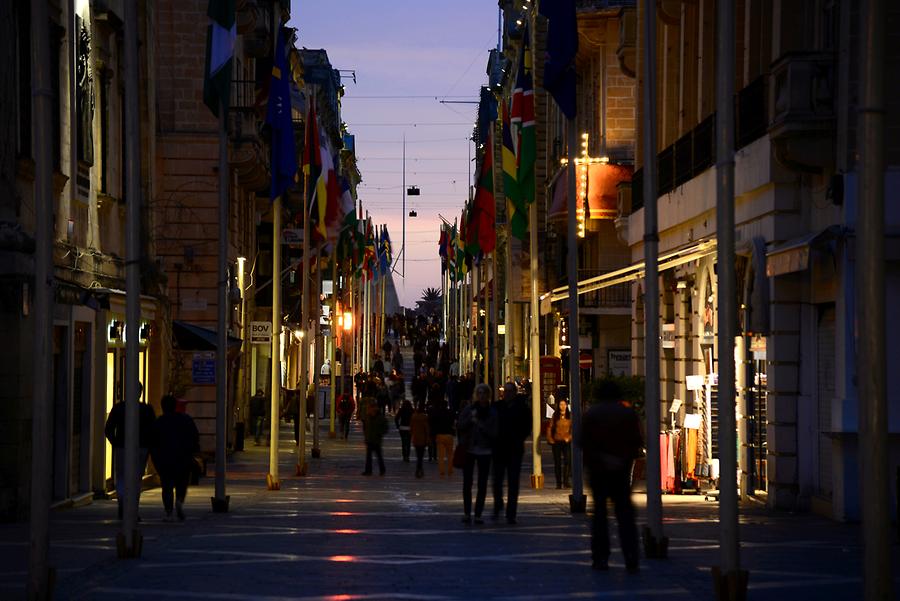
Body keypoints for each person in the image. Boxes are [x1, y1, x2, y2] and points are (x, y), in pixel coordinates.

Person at [579, 380, 643, 573]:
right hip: (621, 471)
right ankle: (631, 556)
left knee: (599, 516)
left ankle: (600, 557)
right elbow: (637, 442)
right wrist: (622, 459)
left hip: (598, 472)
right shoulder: (628, 413)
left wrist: (598, 460)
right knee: (625, 516)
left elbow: (583, 442)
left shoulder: (592, 414)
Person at [104, 382, 156, 520]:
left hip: (123, 447)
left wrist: (116, 443)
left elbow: (108, 429)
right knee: (136, 480)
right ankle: (132, 510)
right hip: (141, 448)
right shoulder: (146, 410)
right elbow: (153, 430)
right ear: (140, 393)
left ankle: (123, 505)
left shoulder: (119, 408)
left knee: (121, 478)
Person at [151, 394, 200, 521]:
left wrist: (156, 460)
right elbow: (194, 437)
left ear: (163, 407)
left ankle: (168, 511)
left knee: (167, 485)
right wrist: (193, 453)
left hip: (165, 459)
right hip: (183, 458)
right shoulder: (186, 420)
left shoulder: (159, 422)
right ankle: (179, 501)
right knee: (182, 483)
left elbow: (153, 442)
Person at [492, 382, 531, 524]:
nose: (507, 394)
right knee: (497, 481)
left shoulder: (522, 408)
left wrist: (518, 438)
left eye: (510, 391)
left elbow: (527, 426)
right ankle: (498, 505)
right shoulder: (497, 407)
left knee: (513, 483)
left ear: (515, 392)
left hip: (515, 449)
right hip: (499, 449)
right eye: (505, 391)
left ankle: (511, 513)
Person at [457, 383, 496, 525]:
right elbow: (460, 425)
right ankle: (467, 513)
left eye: (484, 393)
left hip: (485, 450)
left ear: (488, 395)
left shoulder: (492, 412)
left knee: (482, 483)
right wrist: (470, 420)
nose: (481, 396)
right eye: (479, 393)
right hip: (469, 449)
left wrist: (482, 427)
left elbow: (494, 432)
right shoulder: (469, 410)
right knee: (467, 483)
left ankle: (478, 513)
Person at [548, 399, 573, 489]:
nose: (562, 406)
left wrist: (569, 437)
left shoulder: (569, 416)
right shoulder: (555, 416)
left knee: (568, 461)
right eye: (560, 404)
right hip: (557, 441)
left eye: (564, 404)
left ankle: (566, 481)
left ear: (566, 406)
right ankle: (558, 483)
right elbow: (550, 428)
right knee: (557, 463)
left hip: (566, 441)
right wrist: (550, 439)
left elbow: (573, 429)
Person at [361, 402, 388, 476]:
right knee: (369, 457)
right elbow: (366, 428)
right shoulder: (368, 417)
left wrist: (379, 433)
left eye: (369, 408)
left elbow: (385, 428)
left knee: (379, 456)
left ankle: (382, 470)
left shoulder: (380, 417)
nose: (368, 410)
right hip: (369, 440)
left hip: (376, 440)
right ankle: (368, 470)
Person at [432, 400, 455, 477]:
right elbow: (453, 422)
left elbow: (434, 424)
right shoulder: (450, 413)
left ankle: (442, 471)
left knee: (441, 456)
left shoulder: (437, 413)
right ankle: (450, 470)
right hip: (449, 435)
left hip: (440, 435)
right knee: (450, 455)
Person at [410, 403, 430, 478]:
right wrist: (428, 438)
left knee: (418, 455)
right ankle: (419, 469)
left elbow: (411, 428)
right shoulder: (424, 417)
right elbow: (426, 429)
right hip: (423, 439)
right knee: (420, 456)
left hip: (416, 438)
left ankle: (419, 469)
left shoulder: (413, 417)